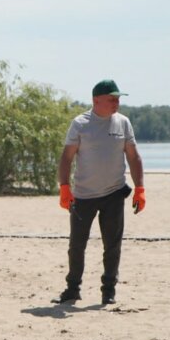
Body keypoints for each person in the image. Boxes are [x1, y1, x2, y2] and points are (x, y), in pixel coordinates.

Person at [54, 79, 145, 306]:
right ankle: (73, 289)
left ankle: (109, 291)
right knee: (77, 245)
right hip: (83, 195)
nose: (117, 103)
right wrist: (64, 187)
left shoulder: (123, 123)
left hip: (114, 193)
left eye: (118, 99)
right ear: (96, 100)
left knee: (112, 245)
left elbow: (133, 157)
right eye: (112, 99)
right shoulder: (80, 124)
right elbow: (66, 157)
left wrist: (140, 188)